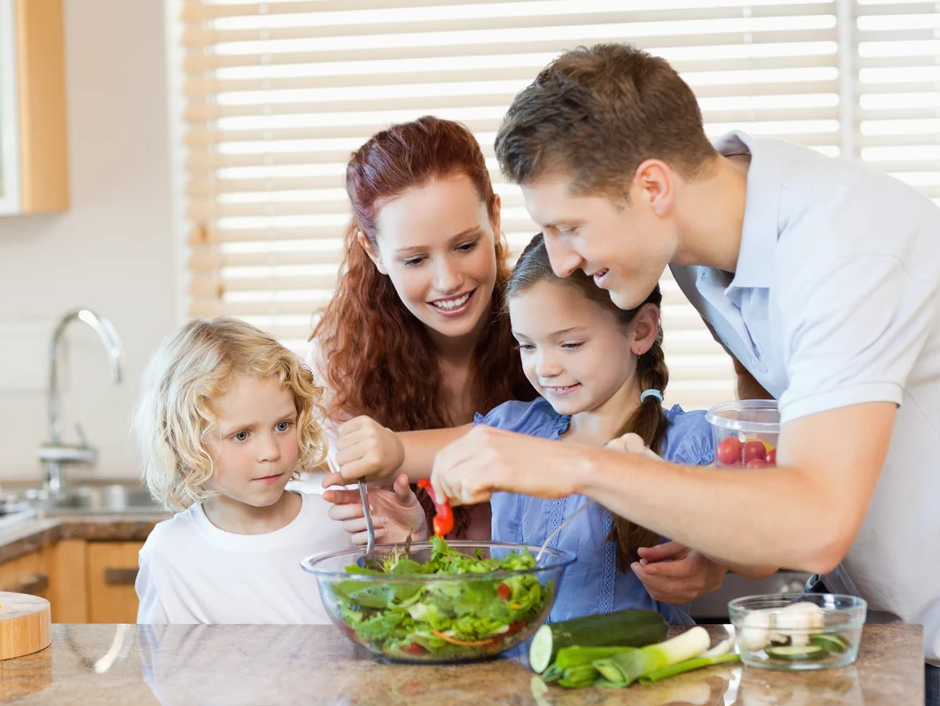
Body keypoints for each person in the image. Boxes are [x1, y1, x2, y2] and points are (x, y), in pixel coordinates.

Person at [421, 43, 940, 675]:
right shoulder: (700, 237)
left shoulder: (846, 254)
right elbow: (768, 382)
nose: (560, 261)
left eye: (571, 228)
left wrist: (576, 464)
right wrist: (722, 535)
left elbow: (817, 525)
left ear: (651, 186)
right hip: (872, 623)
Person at [327, 233, 774, 622]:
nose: (545, 367)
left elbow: (762, 548)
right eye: (527, 345)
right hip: (516, 683)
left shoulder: (690, 441)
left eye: (571, 343)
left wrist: (712, 556)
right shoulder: (515, 427)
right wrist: (378, 449)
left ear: (640, 331)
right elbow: (403, 453)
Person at [308, 115, 535, 541]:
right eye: (414, 260)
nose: (448, 280)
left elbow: (569, 447)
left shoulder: (552, 319)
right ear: (373, 251)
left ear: (495, 217)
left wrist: (400, 452)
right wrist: (412, 547)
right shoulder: (340, 363)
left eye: (465, 245)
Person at [133, 317, 347, 624]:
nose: (271, 452)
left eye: (283, 426)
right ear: (186, 441)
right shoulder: (169, 552)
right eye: (242, 435)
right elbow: (163, 663)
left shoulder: (340, 523)